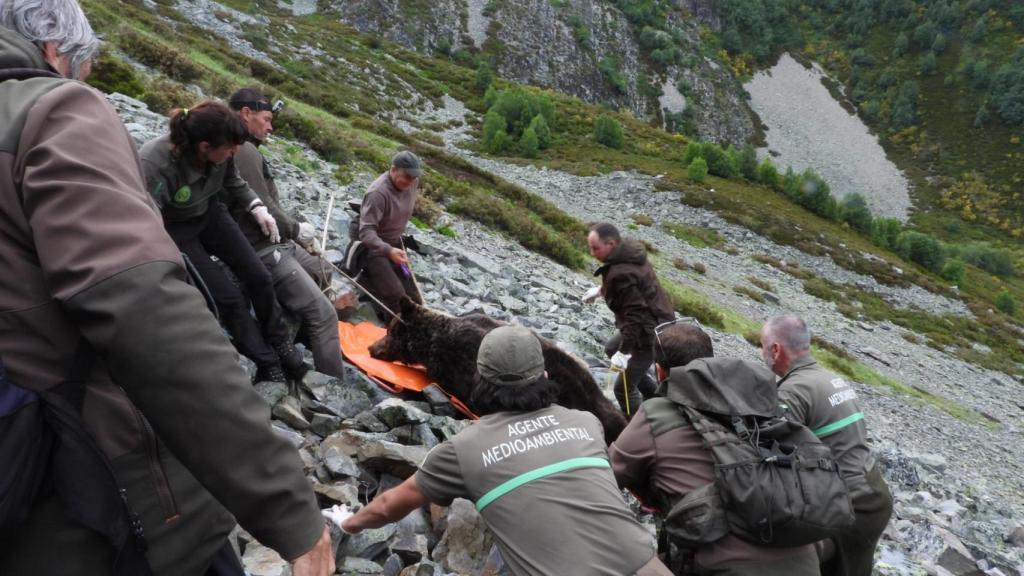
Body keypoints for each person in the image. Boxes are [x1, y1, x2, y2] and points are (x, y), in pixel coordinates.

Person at [0, 2, 333, 575]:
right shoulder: (54, 111)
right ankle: (273, 363)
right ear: (55, 50)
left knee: (252, 279)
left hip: (19, 458)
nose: (86, 79)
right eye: (85, 65)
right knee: (221, 298)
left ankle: (283, 357)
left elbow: (232, 195)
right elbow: (142, 307)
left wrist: (262, 212)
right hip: (84, 480)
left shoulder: (223, 160)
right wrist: (287, 508)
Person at [341, 325, 671, 576]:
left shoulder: (462, 449)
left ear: (480, 378)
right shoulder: (586, 423)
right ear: (543, 376)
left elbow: (386, 507)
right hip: (648, 565)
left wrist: (347, 524)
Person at [609, 321, 820, 575]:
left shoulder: (657, 412)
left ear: (659, 372)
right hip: (805, 558)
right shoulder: (754, 398)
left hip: (729, 567)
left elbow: (609, 472)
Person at [140, 100, 306, 383]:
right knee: (227, 298)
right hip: (175, 228)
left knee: (258, 276)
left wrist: (256, 206)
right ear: (204, 147)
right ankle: (265, 361)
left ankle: (280, 341)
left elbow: (234, 181)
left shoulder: (224, 149)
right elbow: (145, 215)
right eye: (229, 149)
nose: (233, 153)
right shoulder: (156, 162)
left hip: (210, 212)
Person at [760, 315, 893, 576]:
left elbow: (772, 455)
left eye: (762, 345)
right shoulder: (830, 378)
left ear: (775, 350)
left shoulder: (793, 392)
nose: (761, 352)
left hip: (849, 506)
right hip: (874, 494)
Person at [227, 88, 343, 378]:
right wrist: (296, 230)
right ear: (245, 114)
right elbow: (262, 205)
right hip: (262, 247)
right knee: (325, 315)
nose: (270, 126)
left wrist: (294, 232)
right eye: (266, 119)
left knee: (323, 269)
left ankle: (306, 338)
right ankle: (330, 387)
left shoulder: (245, 148)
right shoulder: (245, 151)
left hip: (275, 241)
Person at [585, 222, 675, 416]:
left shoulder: (622, 272)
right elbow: (638, 288)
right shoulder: (629, 252)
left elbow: (636, 316)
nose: (592, 253)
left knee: (622, 388)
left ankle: (636, 428)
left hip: (652, 332)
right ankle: (654, 396)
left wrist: (625, 351)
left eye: (595, 248)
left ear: (610, 244)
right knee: (611, 349)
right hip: (654, 319)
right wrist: (601, 291)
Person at [357, 150, 423, 318]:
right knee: (399, 298)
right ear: (393, 169)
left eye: (414, 177)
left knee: (415, 297)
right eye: (406, 176)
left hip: (394, 242)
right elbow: (365, 232)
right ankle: (398, 333)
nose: (411, 181)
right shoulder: (378, 194)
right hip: (372, 245)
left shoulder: (412, 182)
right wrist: (388, 251)